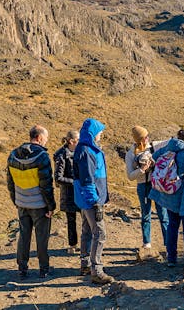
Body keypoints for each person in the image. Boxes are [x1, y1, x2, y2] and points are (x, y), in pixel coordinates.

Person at [6, 125, 57, 278]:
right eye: (46, 138)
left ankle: (22, 268)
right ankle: (44, 269)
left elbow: (10, 182)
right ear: (39, 138)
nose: (46, 141)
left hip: (22, 203)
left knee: (24, 235)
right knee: (42, 237)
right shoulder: (42, 157)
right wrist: (51, 206)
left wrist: (15, 200)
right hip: (39, 205)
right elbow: (46, 185)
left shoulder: (13, 155)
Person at [149, 126, 184, 267]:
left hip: (170, 192)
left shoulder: (170, 146)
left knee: (173, 225)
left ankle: (171, 258)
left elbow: (153, 158)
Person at [73, 118, 114, 284]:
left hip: (86, 199)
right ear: (93, 133)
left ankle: (86, 264)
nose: (101, 135)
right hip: (90, 199)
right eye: (99, 132)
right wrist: (96, 202)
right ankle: (96, 270)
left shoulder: (88, 149)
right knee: (100, 232)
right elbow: (87, 180)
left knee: (87, 231)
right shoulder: (86, 151)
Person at [125, 126, 169, 251]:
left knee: (163, 214)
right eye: (145, 137)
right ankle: (146, 242)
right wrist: (142, 170)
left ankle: (167, 242)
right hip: (142, 186)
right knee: (146, 214)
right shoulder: (130, 154)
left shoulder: (154, 146)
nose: (148, 138)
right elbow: (130, 176)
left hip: (156, 184)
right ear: (140, 139)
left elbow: (170, 142)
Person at [54, 130, 80, 254]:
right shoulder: (62, 155)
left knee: (86, 218)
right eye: (78, 140)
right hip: (69, 194)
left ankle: (86, 244)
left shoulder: (79, 152)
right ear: (71, 141)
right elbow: (58, 178)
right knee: (71, 220)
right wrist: (74, 182)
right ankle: (72, 245)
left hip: (80, 192)